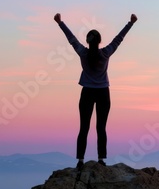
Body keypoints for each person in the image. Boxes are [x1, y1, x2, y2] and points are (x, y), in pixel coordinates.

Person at [54, 13, 138, 169]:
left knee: (84, 127)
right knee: (101, 127)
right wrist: (130, 23)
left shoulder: (83, 52)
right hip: (103, 93)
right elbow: (119, 39)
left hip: (87, 92)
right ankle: (101, 159)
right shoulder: (105, 53)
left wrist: (60, 22)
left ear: (87, 41)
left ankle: (80, 160)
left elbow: (71, 38)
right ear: (100, 41)